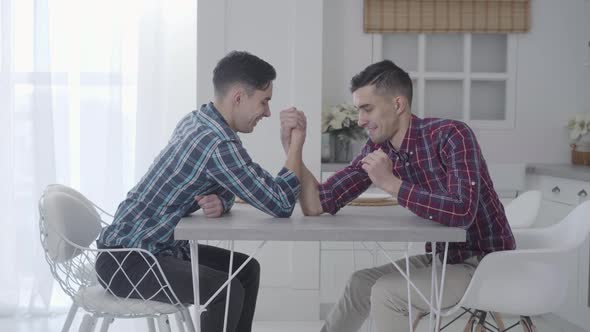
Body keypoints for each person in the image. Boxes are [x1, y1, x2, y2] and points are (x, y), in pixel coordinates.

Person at [280, 60, 515, 332]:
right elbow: (316, 203)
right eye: (358, 110)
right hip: (443, 258)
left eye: (367, 109)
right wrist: (293, 148)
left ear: (398, 105)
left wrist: (392, 184)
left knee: (386, 292)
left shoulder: (452, 135)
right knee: (360, 283)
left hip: (485, 264)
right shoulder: (379, 148)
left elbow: (462, 211)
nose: (360, 120)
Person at [96, 51, 307, 332]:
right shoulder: (217, 143)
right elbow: (280, 203)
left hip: (149, 250)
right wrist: (294, 144)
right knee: (227, 290)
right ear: (238, 97)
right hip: (129, 261)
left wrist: (221, 200)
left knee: (246, 271)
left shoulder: (198, 121)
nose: (268, 112)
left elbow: (228, 184)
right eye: (264, 101)